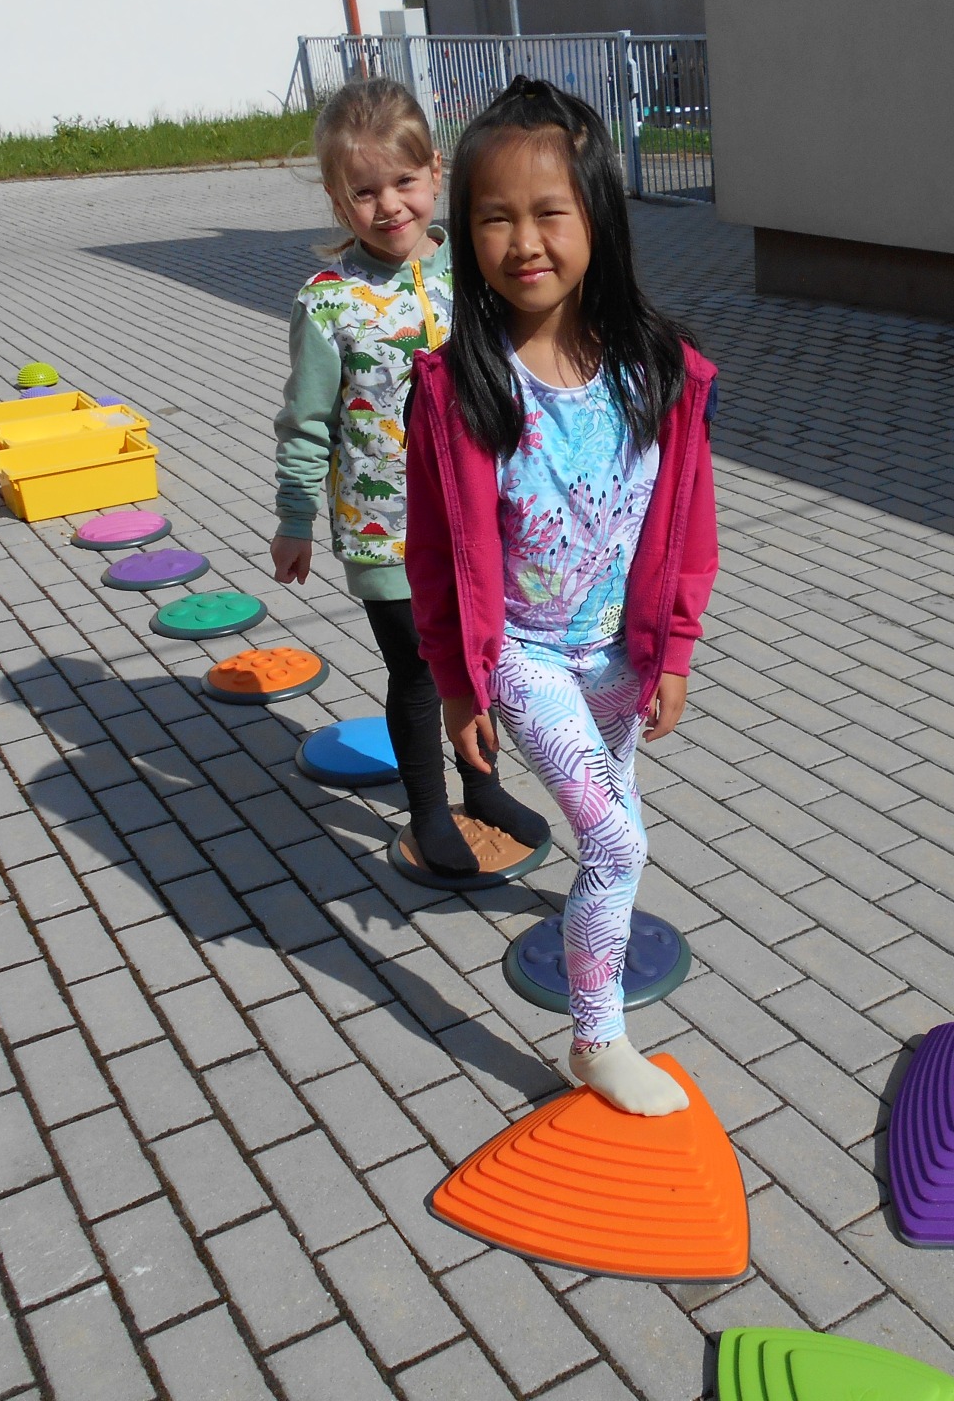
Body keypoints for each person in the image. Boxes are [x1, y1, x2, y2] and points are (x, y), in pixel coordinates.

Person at [405, 78, 719, 1116]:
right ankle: (598, 1039)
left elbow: (688, 528)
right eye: (495, 217)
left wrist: (674, 651)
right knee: (618, 843)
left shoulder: (657, 371)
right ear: (465, 234)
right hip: (526, 658)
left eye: (550, 211)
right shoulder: (458, 388)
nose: (524, 240)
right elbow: (432, 555)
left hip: (621, 657)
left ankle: (601, 980)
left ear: (599, 218)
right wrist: (459, 683)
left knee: (617, 839)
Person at [273, 77, 548, 879]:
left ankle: (483, 788)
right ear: (337, 199)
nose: (389, 205)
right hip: (383, 527)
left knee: (481, 658)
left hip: (482, 517)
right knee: (420, 671)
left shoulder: (479, 271)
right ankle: (430, 811)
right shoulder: (328, 303)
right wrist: (295, 517)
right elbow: (306, 421)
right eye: (364, 192)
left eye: (403, 181)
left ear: (435, 172)